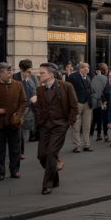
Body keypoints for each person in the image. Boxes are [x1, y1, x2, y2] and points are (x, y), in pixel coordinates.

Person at [34, 63, 77, 194]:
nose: (39, 75)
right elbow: (39, 107)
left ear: (51, 74)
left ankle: (47, 184)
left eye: (42, 73)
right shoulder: (39, 90)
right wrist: (40, 120)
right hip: (45, 126)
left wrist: (68, 124)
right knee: (42, 155)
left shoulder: (66, 86)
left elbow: (74, 106)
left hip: (60, 125)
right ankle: (55, 175)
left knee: (51, 152)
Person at [0, 62, 26, 181]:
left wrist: (19, 114)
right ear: (0, 73)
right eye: (7, 71)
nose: (10, 73)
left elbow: (23, 102)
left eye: (11, 71)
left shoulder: (18, 85)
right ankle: (0, 172)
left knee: (15, 149)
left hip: (14, 123)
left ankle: (14, 170)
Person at [66, 62, 93, 153]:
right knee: (76, 126)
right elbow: (68, 90)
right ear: (80, 68)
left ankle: (86, 145)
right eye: (86, 67)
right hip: (77, 103)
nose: (88, 69)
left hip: (87, 104)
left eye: (88, 67)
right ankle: (77, 146)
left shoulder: (88, 77)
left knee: (87, 126)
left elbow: (89, 89)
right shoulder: (73, 77)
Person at [14, 60, 38, 154]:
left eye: (30, 71)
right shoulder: (15, 77)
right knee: (19, 132)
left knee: (25, 131)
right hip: (19, 109)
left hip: (30, 109)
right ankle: (20, 152)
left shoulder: (33, 77)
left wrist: (36, 97)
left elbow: (37, 90)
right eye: (27, 71)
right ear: (21, 70)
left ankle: (20, 151)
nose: (29, 73)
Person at [90, 63, 109, 143]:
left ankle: (94, 134)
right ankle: (105, 135)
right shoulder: (106, 78)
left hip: (95, 100)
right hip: (103, 100)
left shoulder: (94, 78)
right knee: (103, 118)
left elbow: (92, 89)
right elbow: (106, 90)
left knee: (95, 117)